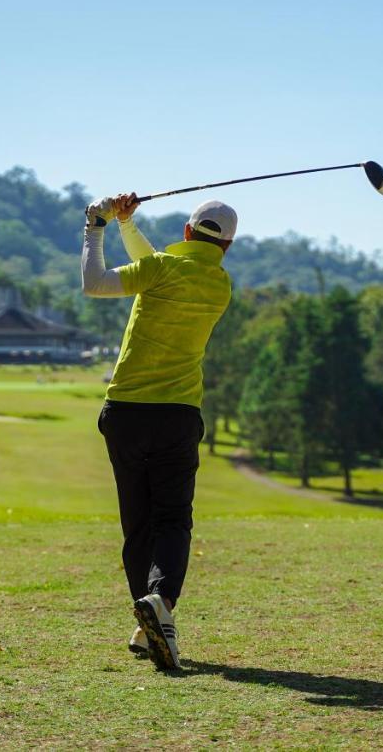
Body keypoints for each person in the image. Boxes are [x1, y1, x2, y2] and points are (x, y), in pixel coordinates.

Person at [81, 192, 236, 670]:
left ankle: (152, 620)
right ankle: (159, 607)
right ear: (226, 247)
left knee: (138, 524)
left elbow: (97, 284)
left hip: (126, 411)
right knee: (172, 521)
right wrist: (127, 224)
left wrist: (96, 224)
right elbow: (156, 266)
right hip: (177, 415)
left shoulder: (163, 269)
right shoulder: (218, 283)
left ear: (187, 232)